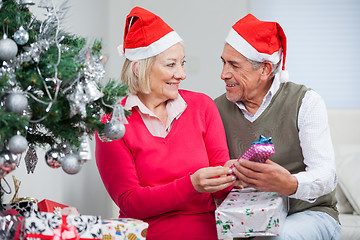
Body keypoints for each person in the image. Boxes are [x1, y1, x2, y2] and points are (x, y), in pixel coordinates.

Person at [95, 7, 237, 240]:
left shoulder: (202, 106)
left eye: (182, 63)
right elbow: (130, 202)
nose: (181, 74)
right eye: (171, 65)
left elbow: (220, 186)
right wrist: (192, 185)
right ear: (139, 68)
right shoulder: (111, 122)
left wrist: (235, 174)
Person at [214, 14, 342, 239]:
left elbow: (326, 176)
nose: (223, 74)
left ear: (264, 69)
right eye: (223, 62)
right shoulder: (215, 109)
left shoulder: (305, 101)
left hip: (310, 214)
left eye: (234, 65)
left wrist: (290, 183)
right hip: (244, 217)